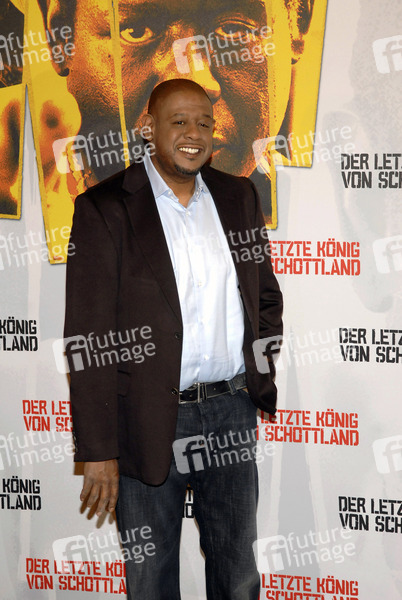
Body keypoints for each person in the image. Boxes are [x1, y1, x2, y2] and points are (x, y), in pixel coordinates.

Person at [64, 78, 283, 599]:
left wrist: (257, 374)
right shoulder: (105, 207)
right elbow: (88, 338)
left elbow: (265, 298)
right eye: (179, 121)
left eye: (204, 123)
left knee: (237, 574)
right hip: (145, 421)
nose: (194, 134)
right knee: (150, 580)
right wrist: (99, 449)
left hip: (231, 413)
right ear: (148, 128)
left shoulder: (238, 197)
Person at [35, 0, 316, 226]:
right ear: (61, 37)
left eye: (233, 30)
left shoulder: (315, 217)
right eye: (136, 31)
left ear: (296, 23)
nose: (194, 81)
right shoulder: (35, 224)